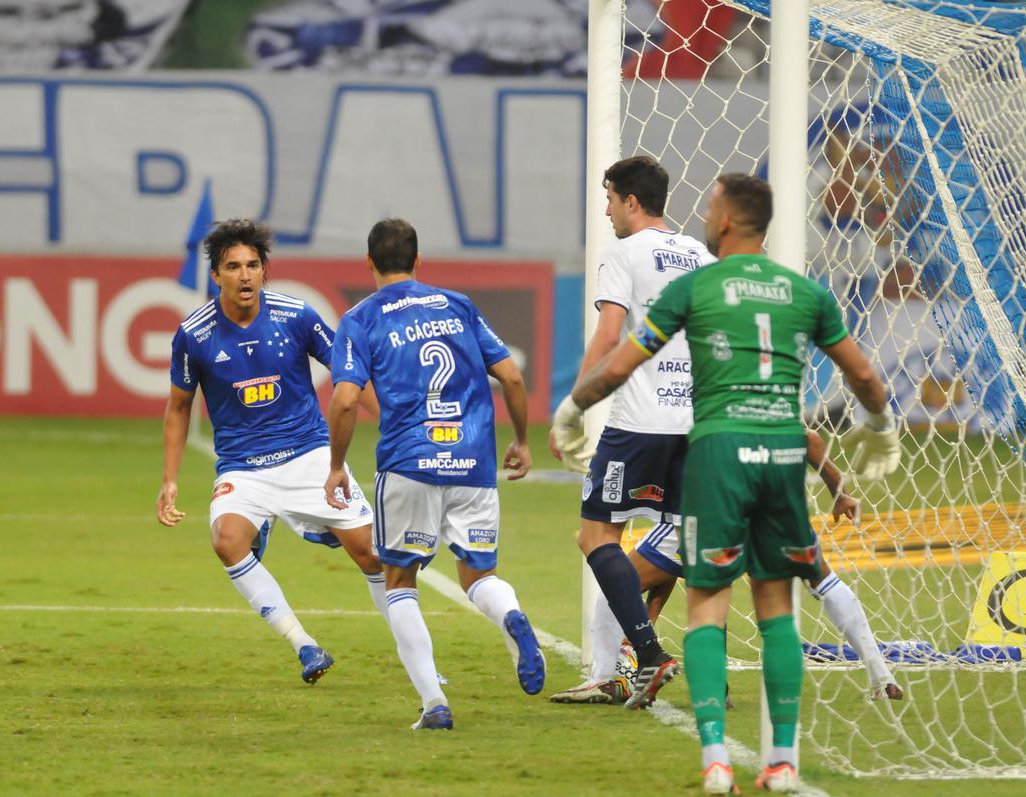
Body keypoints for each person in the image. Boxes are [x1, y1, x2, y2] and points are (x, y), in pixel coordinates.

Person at [553, 174, 901, 794]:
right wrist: (879, 429)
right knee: (779, 606)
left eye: (712, 207)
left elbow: (622, 356)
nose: (704, 216)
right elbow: (866, 377)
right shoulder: (804, 292)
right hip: (780, 456)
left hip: (716, 455)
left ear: (729, 221)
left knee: (706, 602)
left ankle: (714, 757)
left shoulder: (696, 288)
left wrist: (573, 409)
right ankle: (783, 760)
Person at [324, 218, 545, 731]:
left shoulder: (361, 318)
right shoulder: (457, 305)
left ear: (368, 262)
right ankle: (510, 615)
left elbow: (346, 399)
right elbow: (512, 375)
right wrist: (521, 440)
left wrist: (336, 465)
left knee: (399, 581)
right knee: (480, 577)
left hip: (409, 463)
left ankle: (434, 704)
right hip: (472, 461)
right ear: (418, 259)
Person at [157, 218, 385, 686]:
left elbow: (348, 373)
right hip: (243, 468)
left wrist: (392, 423)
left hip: (308, 455)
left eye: (253, 265)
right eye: (233, 267)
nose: (245, 275)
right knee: (227, 541)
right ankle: (304, 644)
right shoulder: (194, 334)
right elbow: (179, 408)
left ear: (264, 270)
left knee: (372, 556)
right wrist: (170, 479)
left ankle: (422, 664)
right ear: (216, 275)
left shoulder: (296, 316)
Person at [552, 428, 904, 706]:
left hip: (715, 510)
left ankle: (607, 678)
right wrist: (839, 492)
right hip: (778, 508)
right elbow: (809, 439)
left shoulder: (697, 409)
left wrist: (647, 623)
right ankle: (881, 677)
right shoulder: (766, 400)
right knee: (822, 583)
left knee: (620, 586)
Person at [549, 156, 714, 708]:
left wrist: (573, 407)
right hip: (696, 421)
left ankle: (646, 654)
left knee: (596, 537)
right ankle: (639, 666)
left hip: (640, 421)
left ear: (632, 202)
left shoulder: (623, 253)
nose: (607, 210)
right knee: (676, 540)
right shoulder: (700, 255)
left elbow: (609, 336)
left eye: (610, 199)